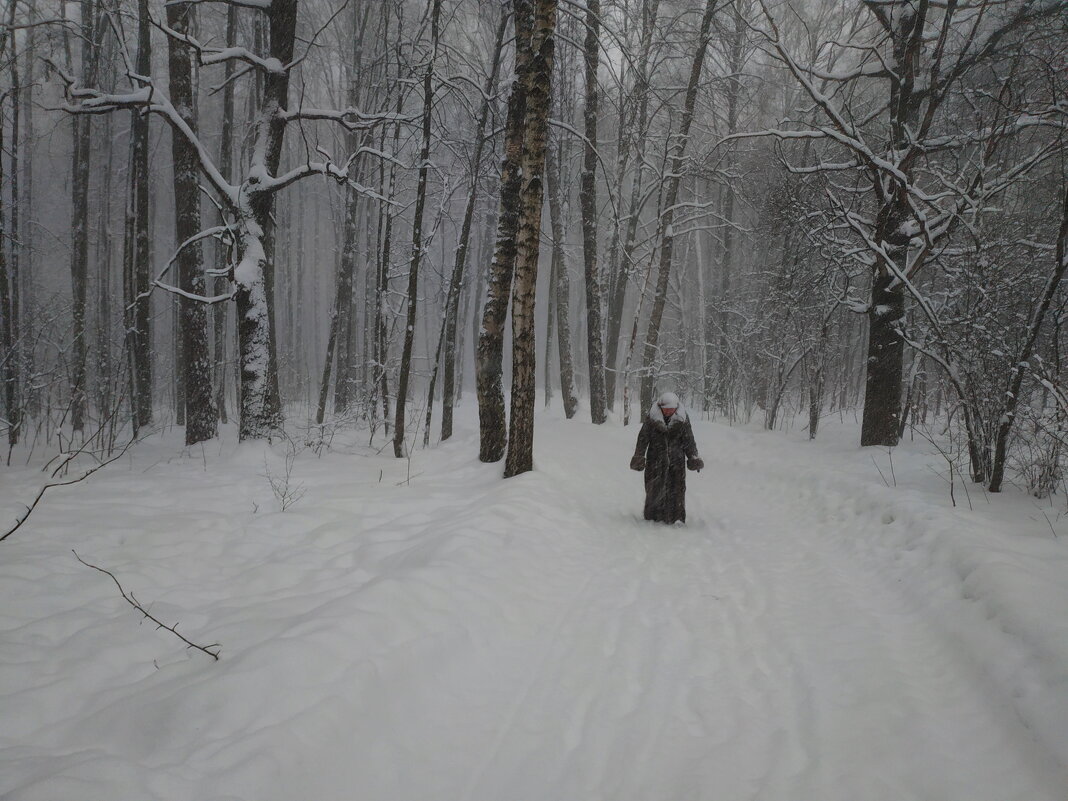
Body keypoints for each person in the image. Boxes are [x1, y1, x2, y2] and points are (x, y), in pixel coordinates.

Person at [630, 391, 703, 523]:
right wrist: (639, 456)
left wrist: (693, 458)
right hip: (655, 459)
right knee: (654, 487)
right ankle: (653, 516)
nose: (668, 412)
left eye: (671, 410)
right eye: (666, 410)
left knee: (676, 489)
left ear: (676, 408)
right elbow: (643, 438)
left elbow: (689, 440)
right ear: (660, 408)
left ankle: (675, 517)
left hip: (677, 461)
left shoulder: (682, 419)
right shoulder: (652, 419)